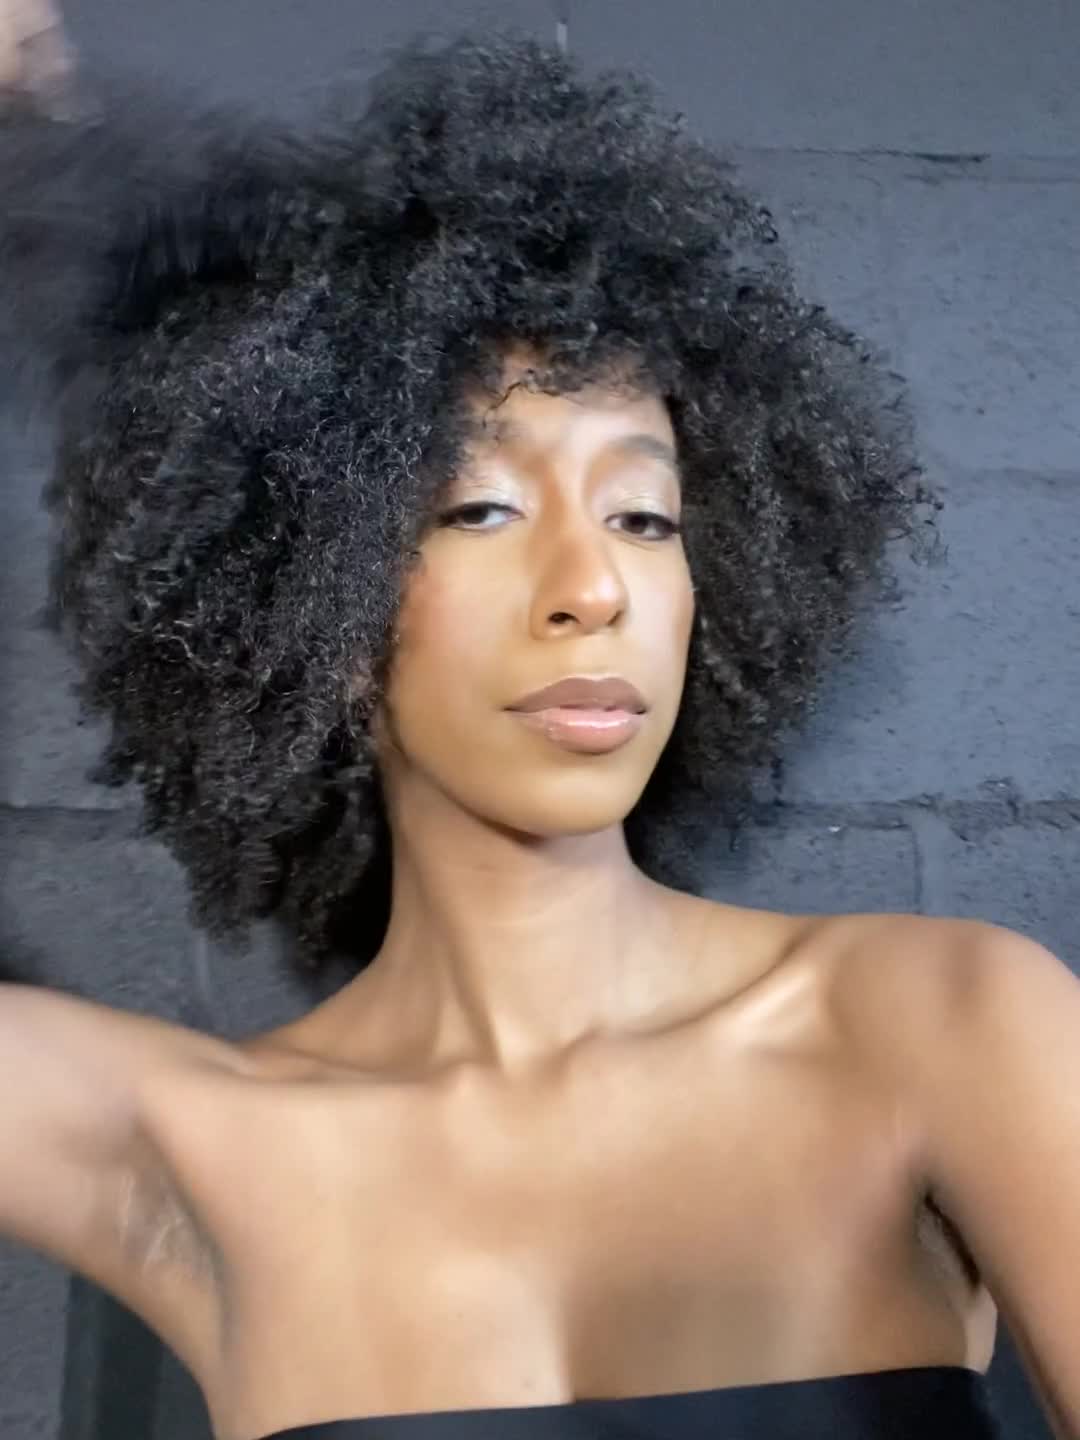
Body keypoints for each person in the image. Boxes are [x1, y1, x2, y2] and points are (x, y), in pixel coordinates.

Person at [2, 6, 1079, 1440]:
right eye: (480, 508)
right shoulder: (181, 1148)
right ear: (308, 595)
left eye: (645, 516)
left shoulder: (942, 1022)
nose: (593, 588)